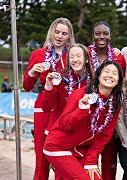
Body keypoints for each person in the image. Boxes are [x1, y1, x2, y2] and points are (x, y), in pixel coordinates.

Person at [43, 61, 123, 180]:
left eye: (114, 73)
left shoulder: (115, 104)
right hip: (58, 146)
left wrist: (91, 160)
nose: (110, 75)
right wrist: (82, 110)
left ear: (119, 80)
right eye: (106, 71)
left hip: (81, 151)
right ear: (99, 75)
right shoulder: (80, 94)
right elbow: (64, 124)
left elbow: (104, 136)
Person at [23, 17, 75, 180]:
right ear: (51, 32)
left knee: (63, 156)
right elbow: (27, 86)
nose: (59, 36)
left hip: (65, 110)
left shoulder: (73, 55)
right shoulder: (38, 54)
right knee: (42, 157)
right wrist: (32, 72)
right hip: (44, 109)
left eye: (64, 33)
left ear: (69, 36)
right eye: (57, 32)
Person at [88, 21, 126, 180]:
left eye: (105, 33)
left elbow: (121, 85)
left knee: (109, 160)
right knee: (89, 160)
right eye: (98, 33)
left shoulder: (118, 56)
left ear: (110, 36)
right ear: (93, 35)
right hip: (89, 113)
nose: (101, 37)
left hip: (110, 113)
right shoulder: (85, 54)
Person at [41, 43, 93, 137]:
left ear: (86, 59)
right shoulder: (60, 78)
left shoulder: (93, 81)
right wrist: (48, 87)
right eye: (71, 57)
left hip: (80, 134)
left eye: (79, 56)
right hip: (57, 132)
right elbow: (46, 107)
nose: (75, 60)